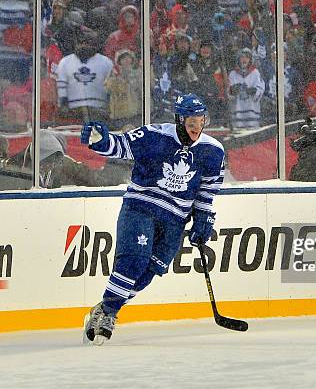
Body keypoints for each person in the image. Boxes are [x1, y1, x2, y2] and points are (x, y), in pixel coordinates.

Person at [81, 93, 225, 344]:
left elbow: (207, 189)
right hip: (141, 208)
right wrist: (101, 141)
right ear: (180, 120)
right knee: (134, 262)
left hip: (175, 221)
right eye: (191, 122)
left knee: (148, 273)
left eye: (201, 121)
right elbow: (120, 145)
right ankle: (109, 314)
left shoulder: (213, 150)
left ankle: (104, 308)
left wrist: (204, 218)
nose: (196, 127)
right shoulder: (154, 135)